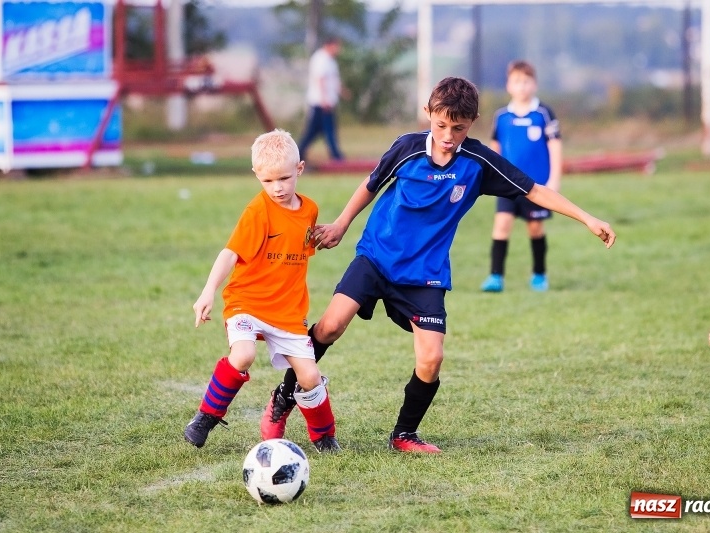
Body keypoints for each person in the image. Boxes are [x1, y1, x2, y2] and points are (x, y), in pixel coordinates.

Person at [260, 77, 616, 453]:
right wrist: (341, 224)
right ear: (428, 114)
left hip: (424, 274)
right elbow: (372, 183)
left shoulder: (478, 162)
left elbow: (535, 190)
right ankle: (284, 396)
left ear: (473, 122)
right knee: (330, 326)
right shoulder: (407, 148)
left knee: (431, 359)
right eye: (441, 125)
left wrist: (588, 218)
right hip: (377, 256)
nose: (448, 135)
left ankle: (404, 434)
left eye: (458, 128)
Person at [184, 129, 340, 454]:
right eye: (268, 181)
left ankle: (324, 436)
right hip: (247, 302)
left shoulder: (309, 209)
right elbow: (230, 253)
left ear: (299, 169)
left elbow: (296, 247)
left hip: (287, 311)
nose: (277, 188)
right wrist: (208, 291)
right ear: (257, 175)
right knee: (243, 355)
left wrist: (320, 238)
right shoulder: (258, 211)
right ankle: (206, 416)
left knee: (310, 376)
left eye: (284, 178)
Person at [481, 60, 562, 293]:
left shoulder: (543, 114)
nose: (522, 86)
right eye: (517, 81)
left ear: (534, 84)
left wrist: (555, 179)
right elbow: (493, 149)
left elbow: (555, 146)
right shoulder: (501, 116)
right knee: (501, 225)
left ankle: (539, 275)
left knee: (535, 227)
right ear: (508, 85)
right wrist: (489, 177)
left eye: (526, 81)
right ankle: (495, 277)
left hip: (537, 185)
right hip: (507, 185)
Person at [298, 36, 344, 162]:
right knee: (328, 130)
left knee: (314, 132)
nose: (339, 49)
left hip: (327, 101)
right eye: (337, 46)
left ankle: (298, 152)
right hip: (321, 103)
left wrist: (341, 91)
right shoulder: (321, 59)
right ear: (330, 45)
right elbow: (320, 79)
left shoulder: (330, 60)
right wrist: (324, 99)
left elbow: (332, 80)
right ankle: (337, 157)